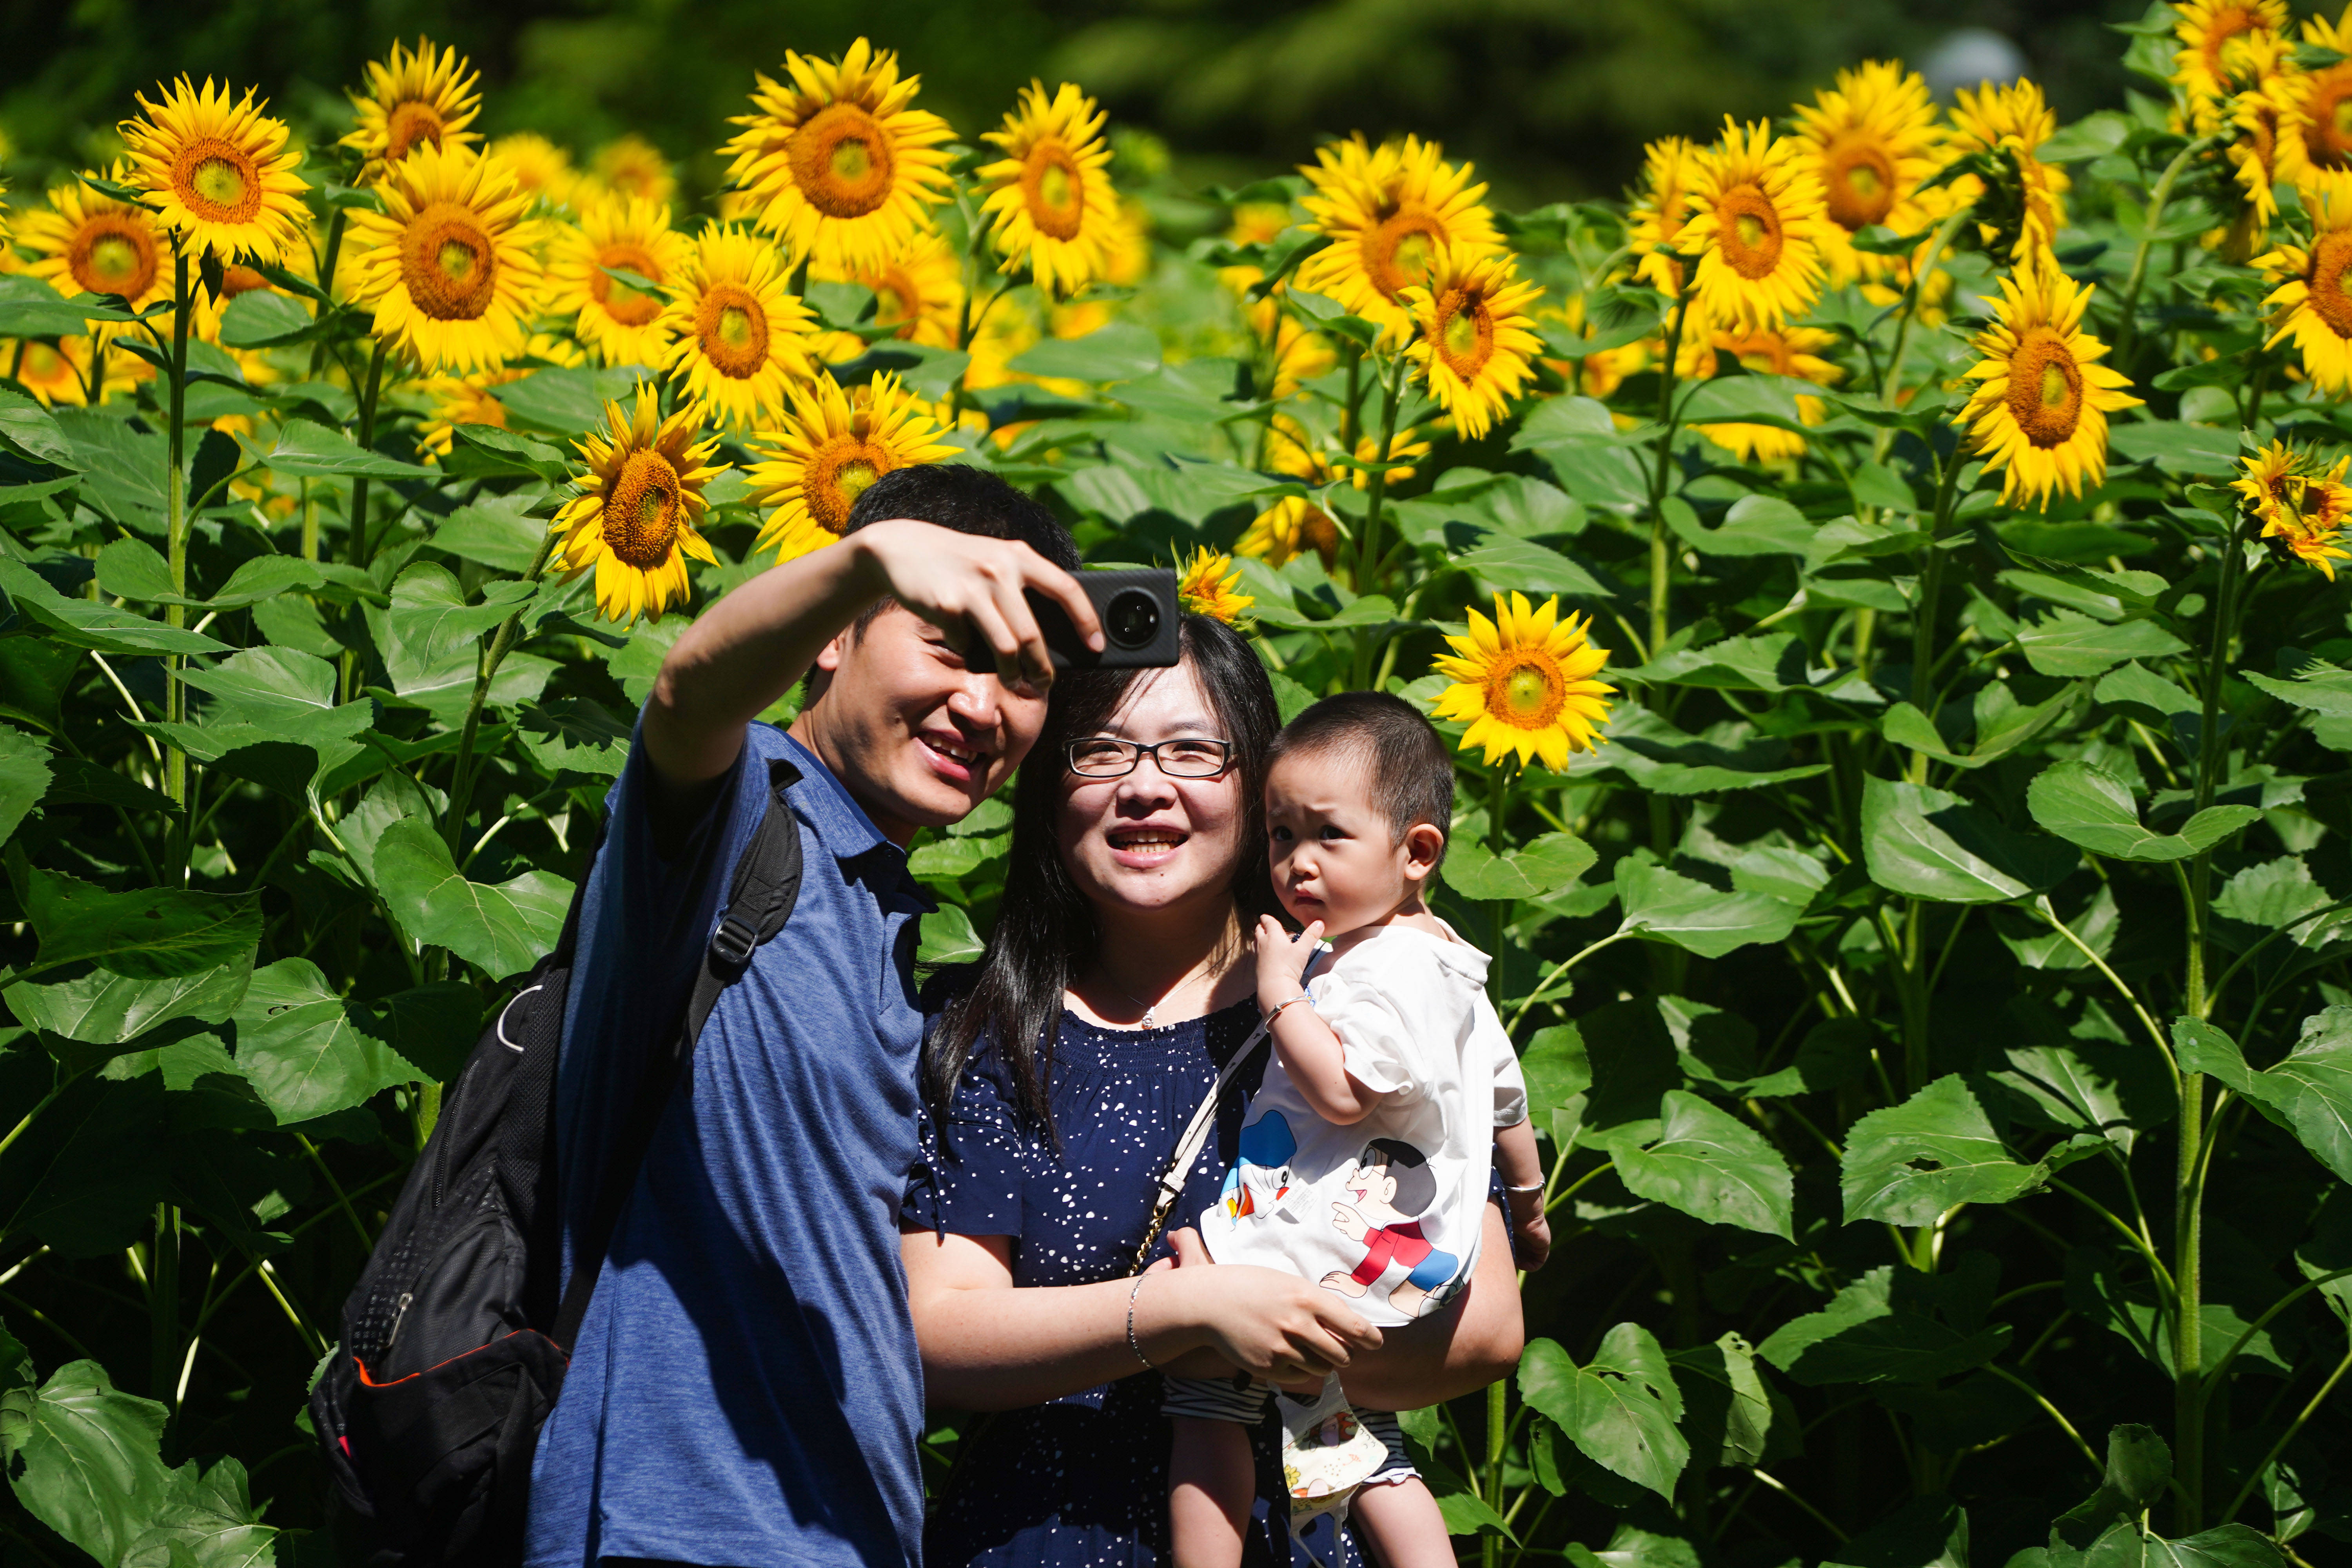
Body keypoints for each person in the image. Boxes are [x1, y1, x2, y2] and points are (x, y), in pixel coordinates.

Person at [526, 464, 1102, 1568]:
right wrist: (869, 560)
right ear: (834, 638)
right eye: (947, 646)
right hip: (675, 1530)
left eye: (1024, 678)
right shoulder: (740, 824)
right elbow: (687, 697)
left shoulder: (886, 916)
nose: (981, 707)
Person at [902, 618, 1529, 1568]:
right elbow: (937, 1333)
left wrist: (1253, 1334)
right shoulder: (984, 1024)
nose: (1145, 784)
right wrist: (1182, 1315)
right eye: (1100, 748)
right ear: (1047, 783)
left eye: (1193, 750)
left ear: (1260, 784)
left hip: (1306, 1526)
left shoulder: (1360, 994)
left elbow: (1483, 1330)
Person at [1164, 692, 1550, 1568]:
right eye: (1280, 835)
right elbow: (1507, 1099)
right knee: (1375, 1440)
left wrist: (1282, 992)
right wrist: (1526, 1206)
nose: (1297, 864)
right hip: (1408, 1266)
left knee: (1206, 1392)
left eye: (1326, 836)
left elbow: (1341, 1093)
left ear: (1417, 852)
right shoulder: (1454, 966)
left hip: (1320, 1250)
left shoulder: (1374, 973)